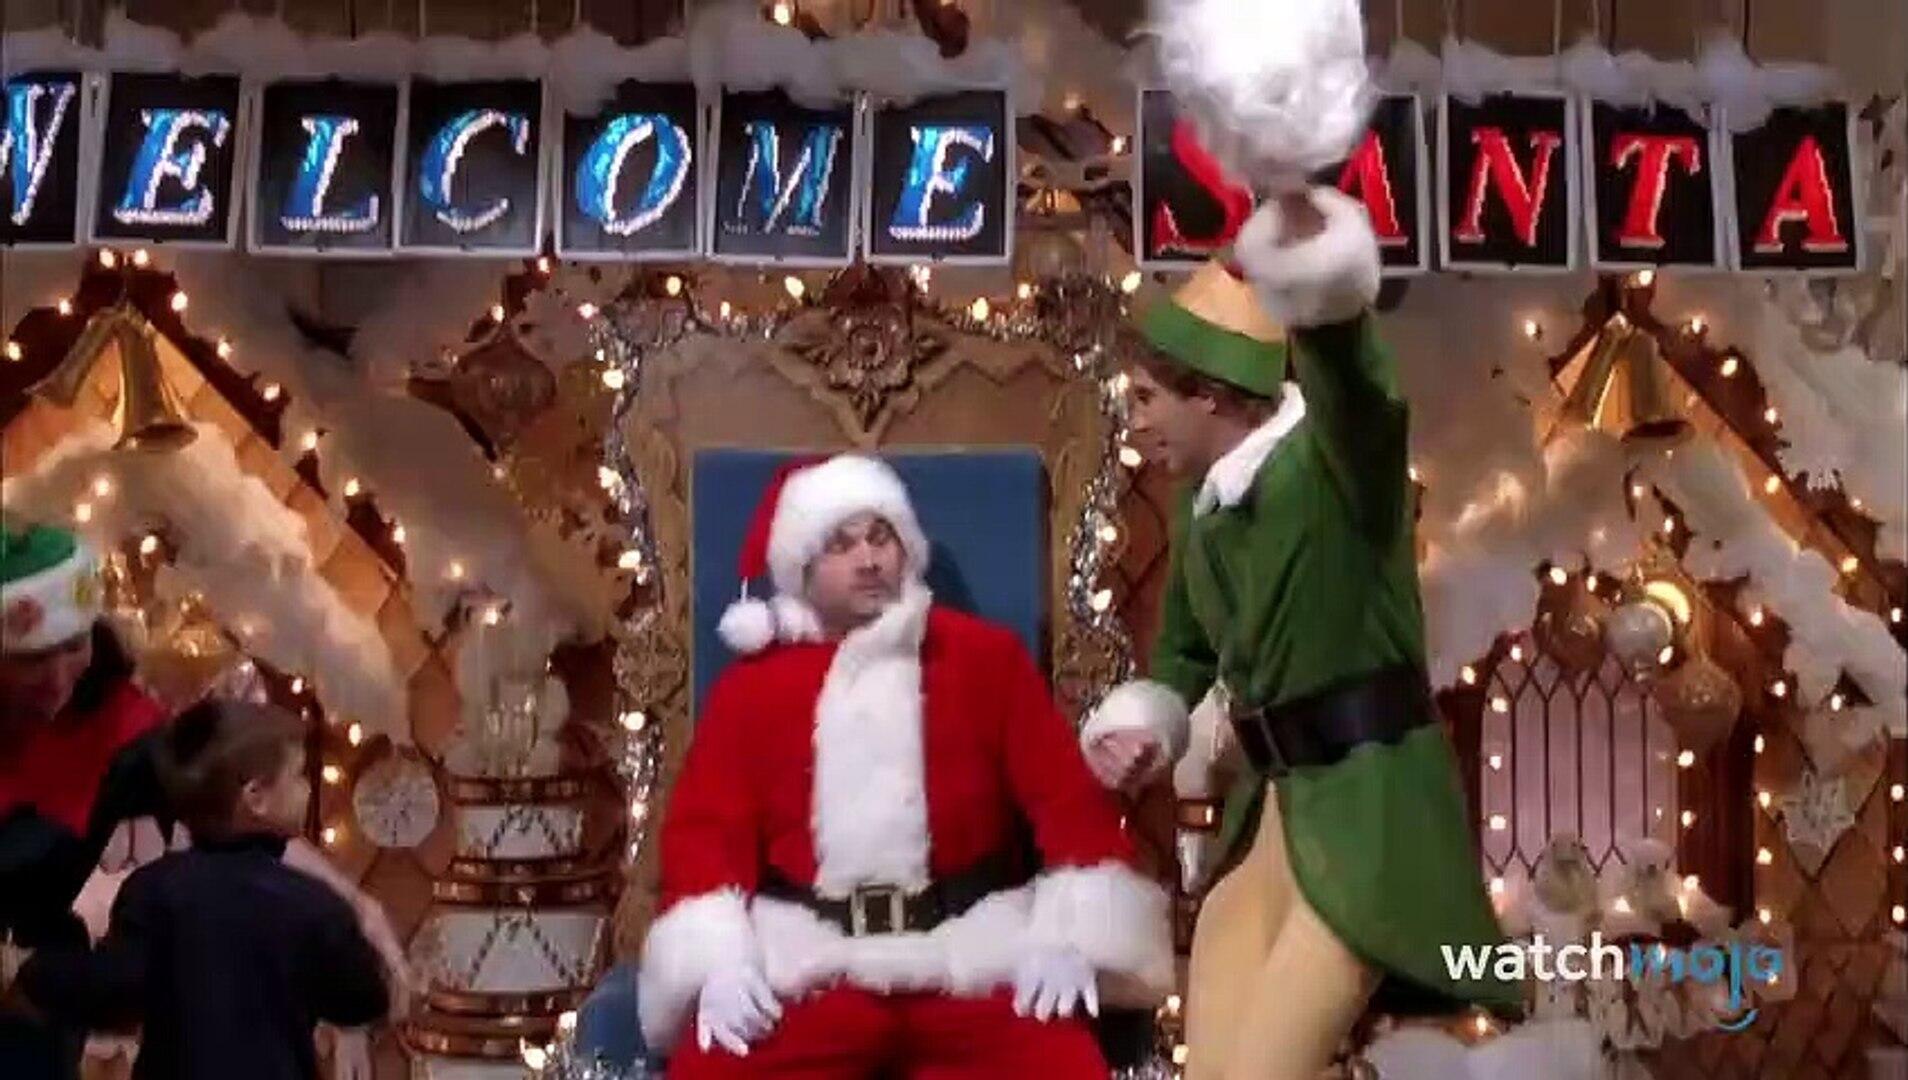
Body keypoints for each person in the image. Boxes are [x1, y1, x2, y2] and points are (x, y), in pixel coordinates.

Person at [1077, 188, 1518, 1080]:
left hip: (1365, 818)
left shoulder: (1331, 472)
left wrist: (1313, 283)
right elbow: (1185, 655)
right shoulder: (1201, 510)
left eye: (1150, 397)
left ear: (1211, 396)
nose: (1138, 420)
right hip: (1272, 818)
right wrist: (1150, 723)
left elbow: (1362, 395)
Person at [638, 454, 1173, 1077]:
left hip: (968, 955)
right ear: (802, 569)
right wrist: (719, 962)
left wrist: (1073, 936)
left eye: (880, 537)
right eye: (841, 545)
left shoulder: (984, 660)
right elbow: (706, 837)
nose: (868, 559)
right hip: (812, 967)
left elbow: (1065, 802)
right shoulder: (750, 691)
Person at [3, 699, 392, 1080]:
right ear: (255, 797)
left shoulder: (155, 889)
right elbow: (362, 999)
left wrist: (36, 976)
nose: (307, 788)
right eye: (299, 775)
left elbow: (114, 988)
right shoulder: (313, 903)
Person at [2, 523, 171, 1080]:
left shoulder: (123, 726)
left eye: (74, 646)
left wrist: (355, 904)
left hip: (35, 1008)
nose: (57, 680)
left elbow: (222, 803)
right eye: (31, 658)